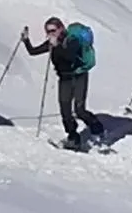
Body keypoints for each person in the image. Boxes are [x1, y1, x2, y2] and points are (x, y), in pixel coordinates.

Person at [21, 16, 103, 148]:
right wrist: (26, 40)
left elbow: (69, 57)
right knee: (65, 110)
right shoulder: (53, 43)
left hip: (78, 75)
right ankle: (73, 136)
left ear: (61, 28)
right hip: (64, 78)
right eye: (48, 31)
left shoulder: (72, 40)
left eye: (53, 30)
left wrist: (56, 45)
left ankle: (97, 130)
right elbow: (33, 51)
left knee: (79, 110)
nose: (50, 34)